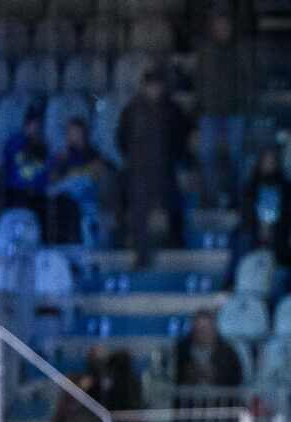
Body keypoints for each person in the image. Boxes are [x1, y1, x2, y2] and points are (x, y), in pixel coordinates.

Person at [115, 64, 183, 263]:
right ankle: (141, 255)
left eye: (157, 85)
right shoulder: (131, 110)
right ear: (144, 86)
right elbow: (121, 137)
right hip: (139, 170)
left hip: (165, 169)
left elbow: (180, 136)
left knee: (174, 206)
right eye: (150, 85)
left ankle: (176, 243)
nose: (154, 89)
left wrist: (172, 158)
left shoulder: (171, 109)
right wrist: (132, 159)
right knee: (139, 214)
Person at [194, 10, 257, 210]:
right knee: (206, 154)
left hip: (235, 112)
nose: (222, 29)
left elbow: (247, 80)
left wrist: (243, 106)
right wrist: (201, 104)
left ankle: (234, 196)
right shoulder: (205, 51)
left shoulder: (240, 50)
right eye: (219, 25)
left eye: (226, 25)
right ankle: (211, 196)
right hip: (209, 112)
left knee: (236, 156)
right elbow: (199, 80)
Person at [49, 117, 109, 245]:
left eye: (77, 133)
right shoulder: (62, 157)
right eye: (70, 134)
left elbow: (100, 177)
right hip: (68, 205)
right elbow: (53, 183)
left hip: (91, 204)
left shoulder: (94, 156)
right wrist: (61, 164)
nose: (73, 137)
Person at [0, 107, 53, 217]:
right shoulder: (13, 143)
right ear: (27, 124)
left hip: (36, 195)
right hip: (15, 192)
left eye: (38, 125)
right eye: (33, 124)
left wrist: (38, 188)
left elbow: (45, 174)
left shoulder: (43, 147)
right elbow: (7, 170)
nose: (36, 128)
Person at [174, 312, 246, 394]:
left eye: (205, 330)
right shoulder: (181, 350)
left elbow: (235, 378)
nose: (201, 335)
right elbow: (174, 376)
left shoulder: (228, 352)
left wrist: (217, 374)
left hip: (220, 401)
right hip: (188, 401)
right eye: (198, 330)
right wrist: (189, 373)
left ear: (213, 330)